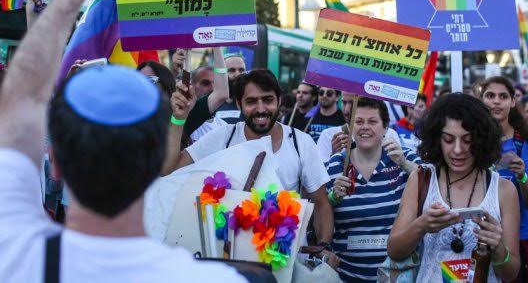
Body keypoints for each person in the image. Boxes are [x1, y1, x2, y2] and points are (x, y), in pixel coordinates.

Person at [0, 0, 245, 282]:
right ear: (154, 163)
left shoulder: (16, 260)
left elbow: (19, 111)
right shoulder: (218, 280)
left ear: (55, 165)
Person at [164, 69, 337, 263]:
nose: (261, 109)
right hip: (227, 259)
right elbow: (171, 170)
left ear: (279, 101)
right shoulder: (223, 137)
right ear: (239, 103)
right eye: (251, 101)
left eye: (268, 100)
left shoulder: (301, 143)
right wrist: (178, 118)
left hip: (282, 261)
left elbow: (322, 203)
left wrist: (323, 246)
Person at [388, 94, 520, 282]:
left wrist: (498, 248)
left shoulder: (504, 190)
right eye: (448, 140)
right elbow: (394, 250)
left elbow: (510, 273)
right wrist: (421, 225)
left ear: (482, 139)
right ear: (436, 138)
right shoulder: (421, 179)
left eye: (467, 140)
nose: (458, 150)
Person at [325, 98, 422, 282]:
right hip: (346, 276)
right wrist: (332, 197)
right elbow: (319, 213)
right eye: (359, 121)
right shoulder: (336, 164)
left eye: (372, 121)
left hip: (397, 275)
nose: (364, 127)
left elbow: (433, 186)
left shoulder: (402, 157)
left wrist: (404, 164)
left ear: (386, 127)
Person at [480, 76, 528, 283]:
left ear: (512, 102)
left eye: (503, 96)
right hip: (476, 238)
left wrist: (522, 176)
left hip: (517, 240)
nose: (496, 101)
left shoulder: (524, 144)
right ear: (481, 100)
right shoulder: (470, 141)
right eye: (490, 96)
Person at [316, 91, 402, 163]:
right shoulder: (329, 135)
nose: (346, 110)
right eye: (344, 102)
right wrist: (335, 156)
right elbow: (319, 180)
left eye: (353, 103)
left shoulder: (389, 134)